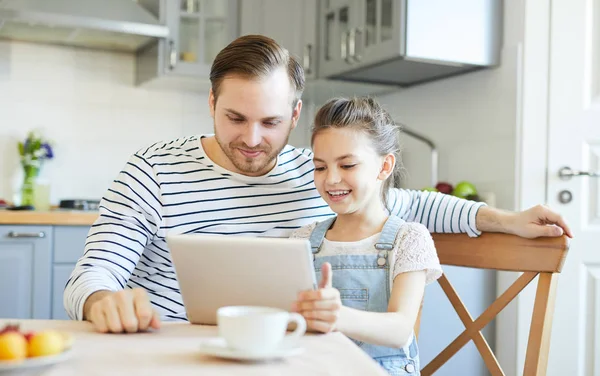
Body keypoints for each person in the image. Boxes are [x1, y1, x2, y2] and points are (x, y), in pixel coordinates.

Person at [63, 35, 572, 334]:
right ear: (211, 103)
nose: (252, 139)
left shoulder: (318, 172)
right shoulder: (152, 171)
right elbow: (90, 275)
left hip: (286, 359)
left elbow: (410, 204)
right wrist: (101, 299)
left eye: (271, 122)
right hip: (176, 357)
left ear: (296, 113)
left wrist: (504, 220)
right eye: (236, 117)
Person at [290, 96, 440, 376]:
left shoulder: (408, 238)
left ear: (384, 166)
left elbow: (400, 330)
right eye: (320, 167)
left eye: (347, 165)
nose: (331, 179)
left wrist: (338, 317)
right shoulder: (303, 239)